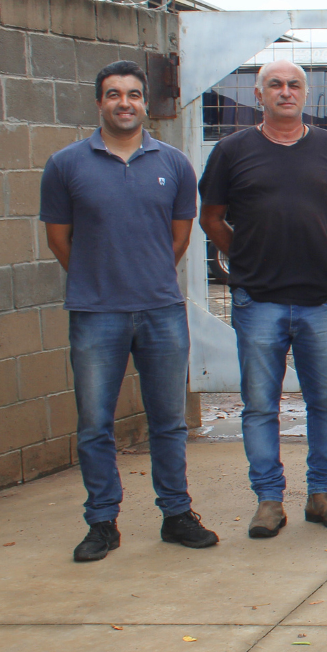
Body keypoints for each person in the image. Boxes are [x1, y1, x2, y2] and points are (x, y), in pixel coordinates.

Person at [41, 60, 218, 562]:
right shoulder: (66, 164)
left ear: (145, 104)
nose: (125, 103)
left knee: (168, 420)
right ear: (99, 102)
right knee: (95, 423)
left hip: (161, 310)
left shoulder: (174, 164)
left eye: (134, 95)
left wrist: (144, 275)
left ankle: (177, 514)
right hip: (96, 313)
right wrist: (101, 279)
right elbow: (59, 239)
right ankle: (102, 522)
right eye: (114, 94)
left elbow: (180, 237)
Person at [199, 59, 327, 539]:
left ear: (305, 94)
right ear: (259, 94)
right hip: (258, 300)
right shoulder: (232, 151)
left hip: (319, 299)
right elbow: (211, 217)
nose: (285, 92)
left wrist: (318, 249)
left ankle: (321, 494)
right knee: (259, 405)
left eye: (293, 85)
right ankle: (268, 500)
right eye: (275, 85)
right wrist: (245, 258)